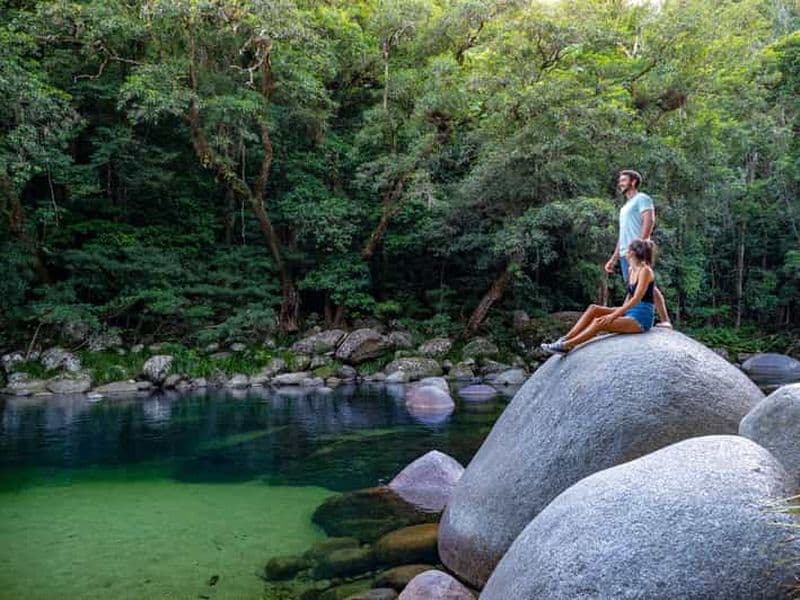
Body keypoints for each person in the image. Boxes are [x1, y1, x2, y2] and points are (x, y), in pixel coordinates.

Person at [540, 238, 657, 354]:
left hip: (641, 318)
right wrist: (619, 311)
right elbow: (630, 294)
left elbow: (636, 298)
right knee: (593, 309)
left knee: (599, 322)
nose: (625, 252)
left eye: (627, 250)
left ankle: (566, 346)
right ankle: (566, 338)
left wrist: (613, 316)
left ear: (631, 253)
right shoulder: (631, 269)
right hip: (631, 311)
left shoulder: (645, 271)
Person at [604, 169, 671, 328]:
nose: (620, 183)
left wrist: (641, 245)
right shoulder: (624, 207)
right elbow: (623, 234)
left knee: (649, 288)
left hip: (638, 252)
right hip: (625, 254)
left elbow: (649, 220)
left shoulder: (642, 198)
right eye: (620, 180)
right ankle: (625, 318)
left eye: (623, 180)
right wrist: (614, 258)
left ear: (633, 182)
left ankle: (665, 320)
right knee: (632, 288)